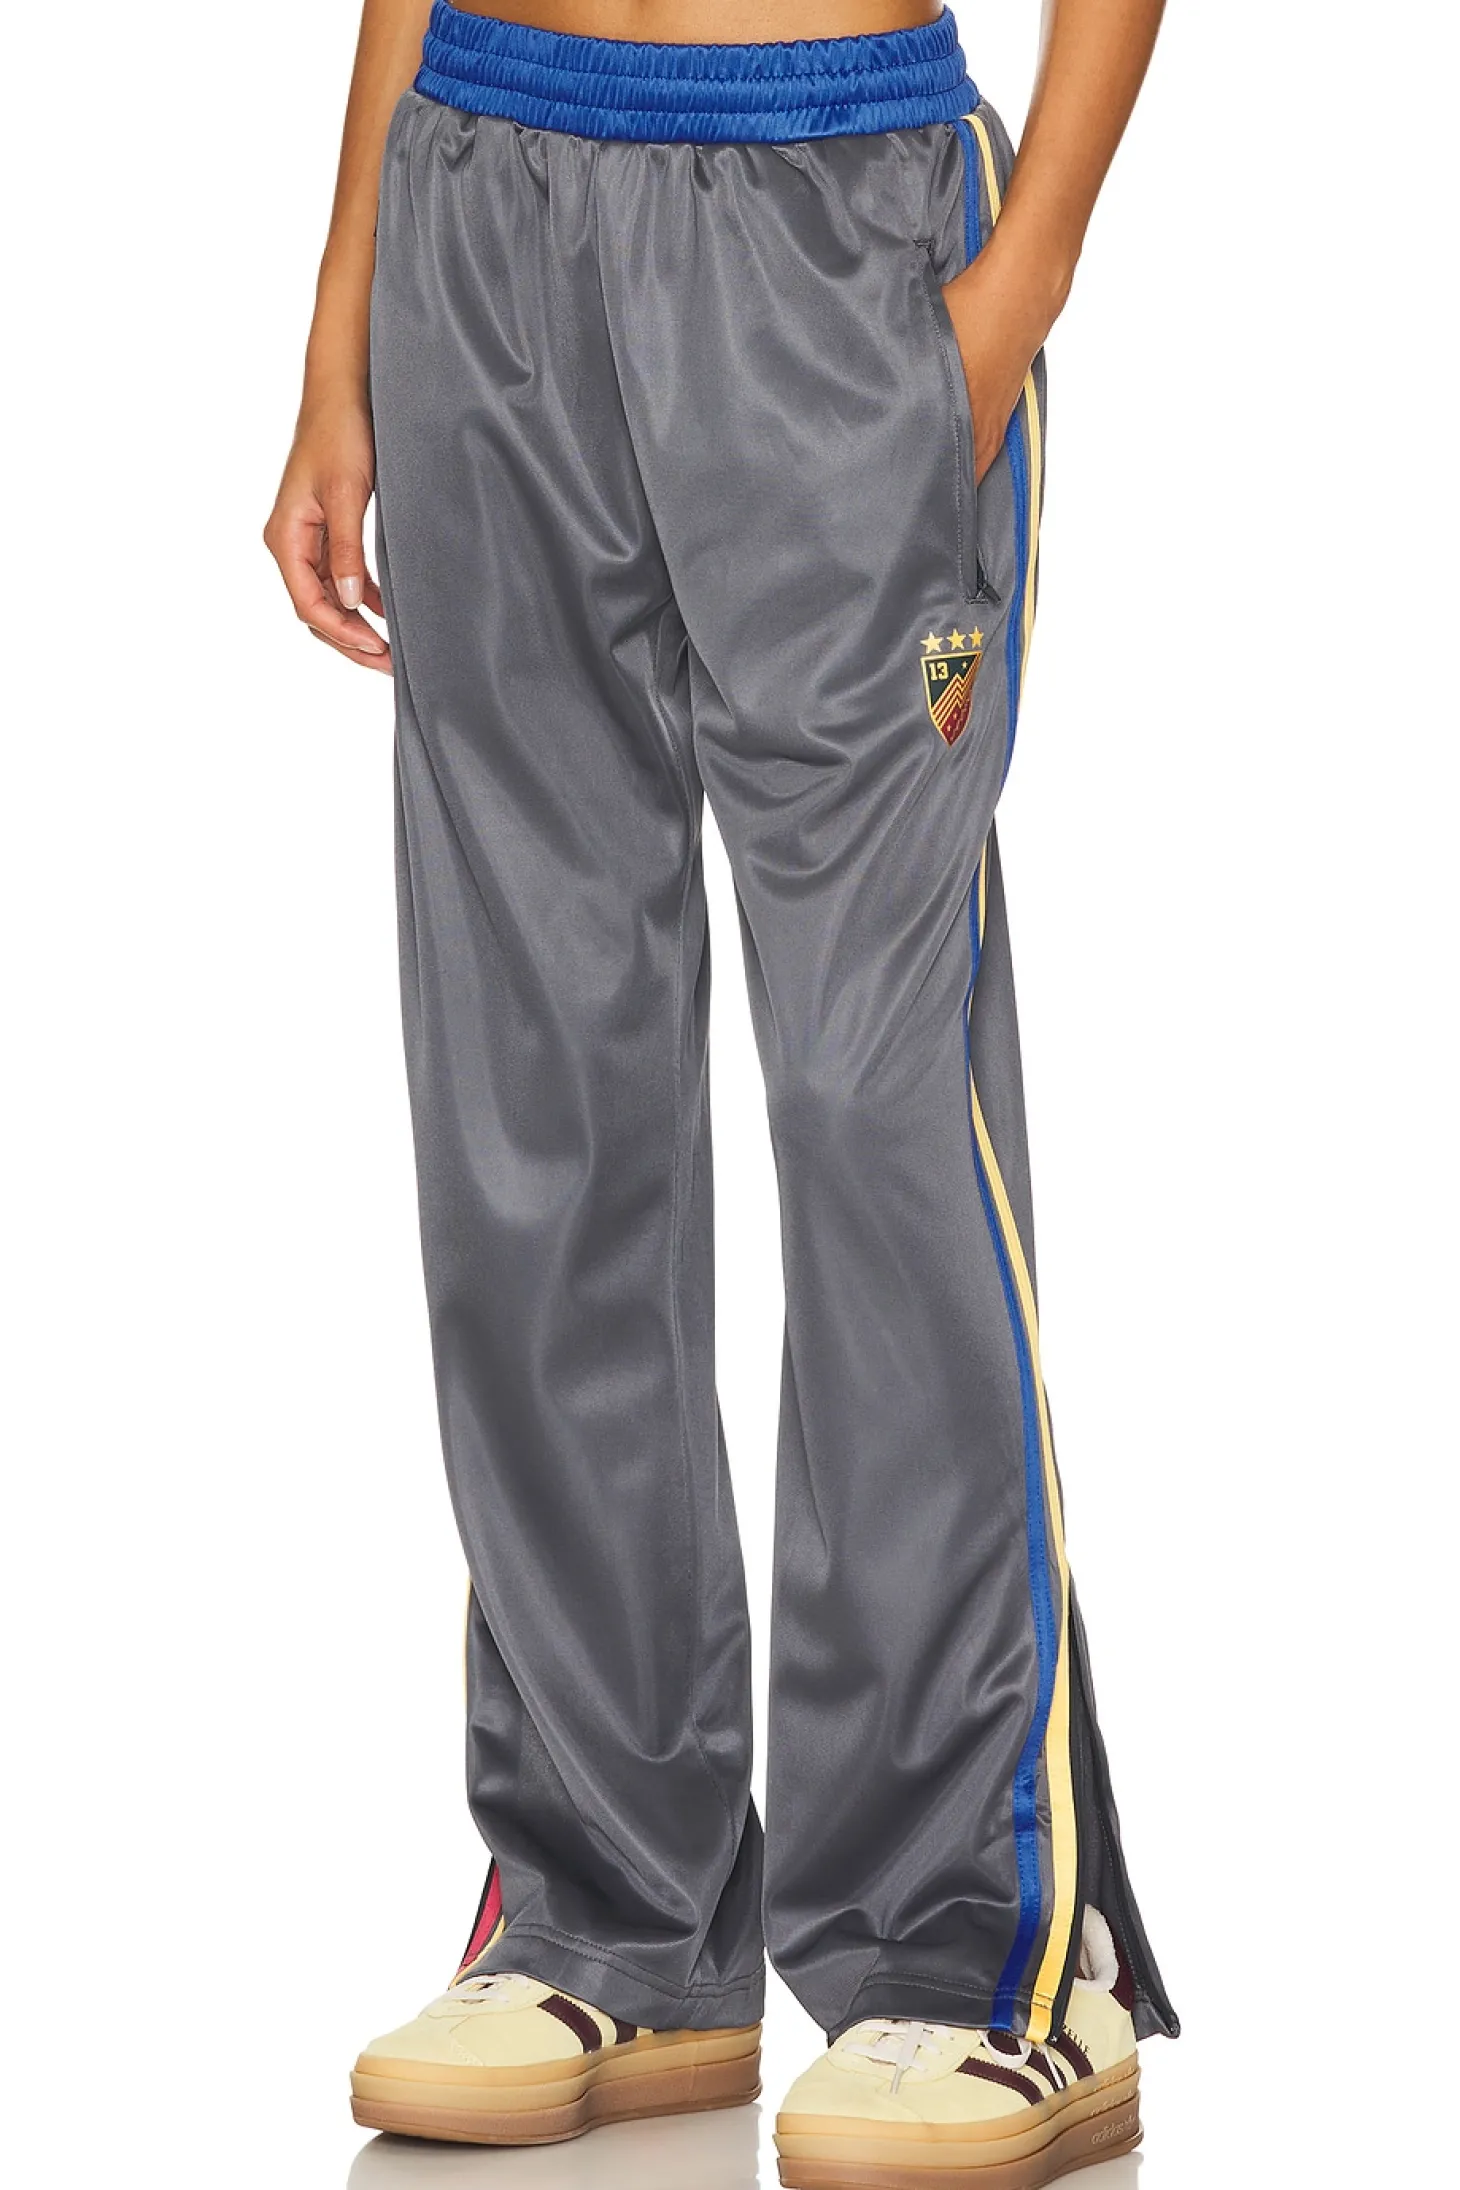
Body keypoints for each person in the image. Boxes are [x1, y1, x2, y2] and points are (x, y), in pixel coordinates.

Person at [265, 0, 1179, 2178]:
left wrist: (1015, 289)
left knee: (875, 1106)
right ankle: (611, 1908)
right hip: (482, 201)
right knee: (532, 1099)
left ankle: (981, 1945)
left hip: (832, 218)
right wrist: (343, 313)